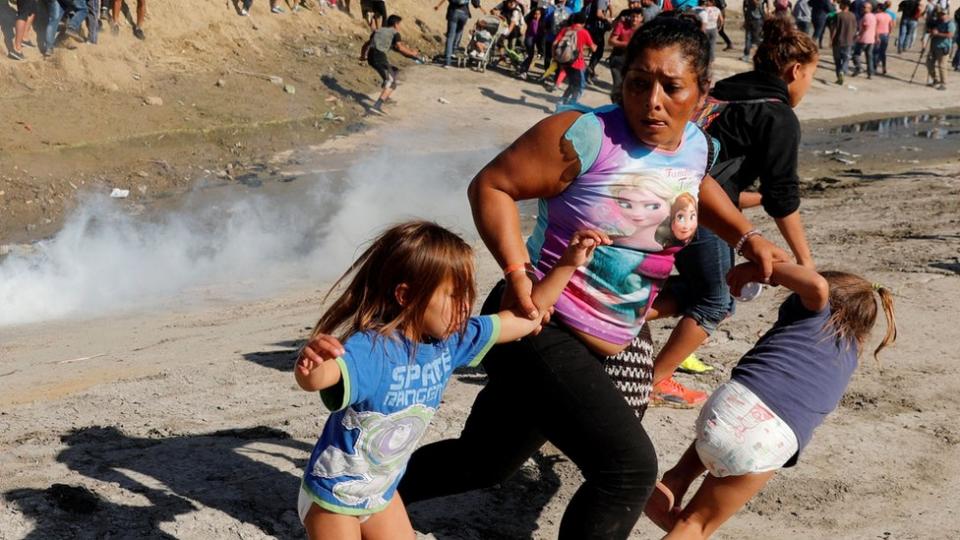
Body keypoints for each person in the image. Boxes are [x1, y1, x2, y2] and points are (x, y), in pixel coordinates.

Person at [391, 16, 788, 539]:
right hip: (539, 322)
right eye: (638, 83)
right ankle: (354, 497)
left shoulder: (694, 144)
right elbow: (491, 186)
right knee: (626, 470)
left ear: (701, 91)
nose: (652, 101)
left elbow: (695, 184)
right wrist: (517, 275)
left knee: (484, 462)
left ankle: (359, 493)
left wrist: (745, 237)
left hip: (602, 338)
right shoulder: (586, 135)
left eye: (671, 87)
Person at [295, 221, 607, 540]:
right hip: (333, 497)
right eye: (454, 296)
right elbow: (324, 376)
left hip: (382, 493)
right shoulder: (373, 348)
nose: (465, 306)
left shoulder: (451, 342)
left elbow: (525, 320)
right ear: (406, 295)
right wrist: (311, 366)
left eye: (467, 294)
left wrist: (568, 264)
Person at [644, 263, 897, 539]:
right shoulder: (846, 353)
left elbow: (815, 285)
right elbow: (817, 287)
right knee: (695, 525)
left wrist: (771, 269)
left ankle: (675, 481)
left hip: (727, 406)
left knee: (738, 423)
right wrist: (761, 270)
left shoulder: (806, 314)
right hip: (768, 439)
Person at [645, 16, 819, 407]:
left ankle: (616, 316)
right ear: (795, 71)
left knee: (695, 289)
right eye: (810, 75)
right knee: (716, 301)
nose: (807, 86)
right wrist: (806, 263)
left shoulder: (724, 92)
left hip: (659, 188)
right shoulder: (777, 115)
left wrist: (753, 202)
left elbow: (723, 180)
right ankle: (653, 381)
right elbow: (782, 198)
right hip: (696, 206)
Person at [359, 14, 423, 115]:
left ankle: (386, 95)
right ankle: (377, 106)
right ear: (396, 24)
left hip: (371, 57)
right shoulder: (395, 33)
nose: (400, 27)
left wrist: (363, 56)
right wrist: (412, 53)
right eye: (399, 24)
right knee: (392, 82)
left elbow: (366, 44)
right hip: (379, 57)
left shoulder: (378, 31)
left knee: (395, 71)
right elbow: (400, 47)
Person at [552, 11, 597, 106]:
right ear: (584, 22)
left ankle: (561, 102)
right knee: (580, 86)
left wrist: (555, 57)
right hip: (577, 63)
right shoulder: (584, 32)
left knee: (572, 84)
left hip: (565, 62)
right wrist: (594, 46)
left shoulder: (565, 30)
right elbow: (593, 49)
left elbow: (554, 44)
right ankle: (571, 104)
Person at [607, 7, 643, 97]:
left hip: (634, 61)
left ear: (641, 18)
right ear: (630, 16)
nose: (635, 19)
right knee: (617, 86)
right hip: (618, 58)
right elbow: (611, 41)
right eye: (633, 16)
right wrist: (627, 44)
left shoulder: (643, 29)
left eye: (637, 17)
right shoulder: (622, 25)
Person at [435, 0, 482, 68]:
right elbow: (476, 4)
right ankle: (453, 51)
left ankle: (447, 62)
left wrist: (439, 6)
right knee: (458, 33)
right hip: (464, 14)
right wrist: (478, 5)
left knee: (450, 36)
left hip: (453, 11)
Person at [584, 0, 614, 83]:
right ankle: (589, 71)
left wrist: (610, 14)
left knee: (597, 51)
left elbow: (609, 6)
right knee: (598, 51)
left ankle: (590, 71)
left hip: (593, 26)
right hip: (595, 28)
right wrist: (607, 19)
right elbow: (598, 13)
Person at [926, 7, 955, 89]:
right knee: (929, 63)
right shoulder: (937, 22)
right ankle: (935, 80)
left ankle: (944, 83)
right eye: (939, 14)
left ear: (947, 14)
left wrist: (937, 34)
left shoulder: (950, 24)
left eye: (943, 14)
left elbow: (950, 35)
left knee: (942, 66)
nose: (941, 16)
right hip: (933, 46)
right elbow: (931, 30)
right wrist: (931, 31)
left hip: (943, 47)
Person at [830, 0, 858, 84]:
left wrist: (831, 40)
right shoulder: (853, 16)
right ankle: (843, 72)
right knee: (846, 59)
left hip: (838, 41)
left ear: (844, 5)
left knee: (837, 60)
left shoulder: (838, 15)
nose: (839, 5)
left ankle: (839, 76)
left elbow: (834, 29)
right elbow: (855, 29)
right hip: (848, 41)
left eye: (840, 4)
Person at [851, 0, 877, 78]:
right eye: (862, 7)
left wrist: (858, 35)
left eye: (864, 7)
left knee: (856, 54)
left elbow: (865, 27)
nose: (862, 8)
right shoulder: (873, 16)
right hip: (871, 39)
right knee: (869, 56)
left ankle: (859, 67)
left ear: (869, 8)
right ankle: (870, 73)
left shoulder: (866, 16)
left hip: (864, 39)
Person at [519, 7, 547, 78]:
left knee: (531, 56)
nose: (536, 16)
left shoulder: (538, 22)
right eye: (535, 14)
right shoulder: (533, 22)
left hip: (531, 40)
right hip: (530, 40)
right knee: (530, 56)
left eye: (538, 14)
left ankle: (523, 69)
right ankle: (523, 70)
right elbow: (535, 32)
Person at [873, 2, 894, 74]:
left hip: (877, 35)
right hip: (885, 35)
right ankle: (884, 67)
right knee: (883, 52)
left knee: (875, 52)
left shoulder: (876, 16)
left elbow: (874, 27)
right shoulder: (888, 16)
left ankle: (874, 67)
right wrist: (889, 33)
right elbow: (891, 26)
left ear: (879, 9)